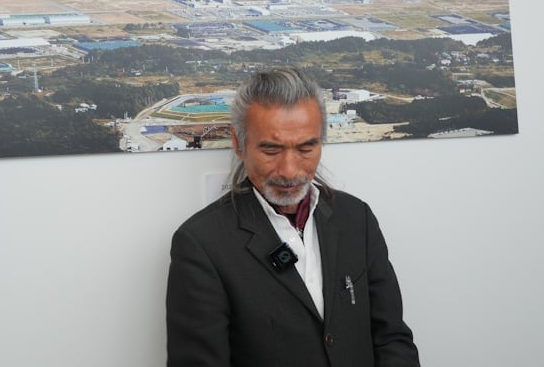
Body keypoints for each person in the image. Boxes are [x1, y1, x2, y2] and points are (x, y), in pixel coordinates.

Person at [166, 67, 419, 366]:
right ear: (238, 143)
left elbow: (392, 338)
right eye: (271, 150)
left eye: (305, 148)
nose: (289, 171)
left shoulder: (356, 218)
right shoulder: (202, 245)